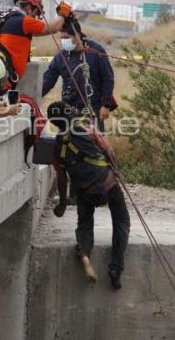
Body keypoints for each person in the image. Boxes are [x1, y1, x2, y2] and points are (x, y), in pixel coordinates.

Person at [47, 101, 130, 289]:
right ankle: (116, 268)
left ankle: (85, 253)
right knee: (121, 221)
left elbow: (61, 175)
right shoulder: (87, 128)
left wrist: (62, 203)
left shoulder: (58, 143)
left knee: (84, 224)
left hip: (84, 191)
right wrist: (117, 171)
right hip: (107, 184)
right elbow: (108, 150)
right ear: (69, 112)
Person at [42, 17, 115, 132]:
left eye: (66, 37)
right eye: (61, 38)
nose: (63, 41)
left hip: (92, 109)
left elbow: (108, 78)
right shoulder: (61, 57)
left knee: (93, 144)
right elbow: (48, 81)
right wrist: (32, 97)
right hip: (69, 109)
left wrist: (106, 105)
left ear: (77, 36)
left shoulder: (96, 51)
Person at [0, 0, 73, 89]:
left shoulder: (9, 19)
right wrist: (63, 14)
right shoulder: (25, 21)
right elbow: (54, 27)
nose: (35, 17)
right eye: (36, 12)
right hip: (5, 81)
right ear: (29, 8)